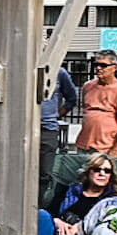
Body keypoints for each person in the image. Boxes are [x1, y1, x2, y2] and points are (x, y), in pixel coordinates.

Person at [45, 154, 117, 235]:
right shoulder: (69, 190)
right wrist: (58, 222)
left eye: (107, 171)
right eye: (97, 169)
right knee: (41, 215)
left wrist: (79, 228)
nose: (102, 173)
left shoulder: (113, 200)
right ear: (88, 172)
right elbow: (50, 212)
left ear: (111, 176)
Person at [75, 50, 117, 159]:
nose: (98, 68)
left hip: (107, 149)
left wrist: (116, 149)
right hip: (84, 146)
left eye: (103, 65)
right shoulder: (88, 86)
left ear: (115, 68)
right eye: (96, 65)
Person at [41, 61, 82, 192]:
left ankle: (38, 206)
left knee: (44, 174)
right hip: (22, 129)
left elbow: (71, 99)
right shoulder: (20, 70)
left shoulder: (59, 73)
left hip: (47, 129)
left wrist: (56, 115)